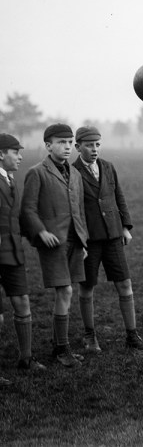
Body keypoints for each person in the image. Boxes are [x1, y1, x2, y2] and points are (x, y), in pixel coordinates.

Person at [72, 126, 143, 353]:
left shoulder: (108, 167)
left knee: (125, 283)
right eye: (89, 145)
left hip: (113, 236)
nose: (94, 149)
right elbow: (73, 209)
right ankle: (89, 336)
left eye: (97, 145)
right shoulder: (73, 172)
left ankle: (132, 336)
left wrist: (125, 226)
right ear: (78, 147)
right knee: (87, 287)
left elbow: (119, 196)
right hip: (88, 240)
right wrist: (79, 240)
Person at [20, 124, 89, 368]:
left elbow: (79, 209)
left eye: (70, 142)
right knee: (65, 291)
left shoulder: (76, 174)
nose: (67, 147)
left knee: (67, 292)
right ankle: (61, 348)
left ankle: (59, 345)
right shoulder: (37, 173)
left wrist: (83, 239)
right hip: (53, 243)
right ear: (48, 146)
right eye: (61, 142)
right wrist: (41, 231)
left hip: (74, 240)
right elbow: (28, 209)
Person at [0, 134, 46, 377]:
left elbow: (16, 219)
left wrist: (38, 236)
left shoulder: (10, 180)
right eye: (15, 152)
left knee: (23, 302)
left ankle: (26, 359)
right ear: (1, 154)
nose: (20, 157)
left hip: (13, 252)